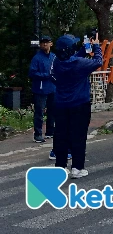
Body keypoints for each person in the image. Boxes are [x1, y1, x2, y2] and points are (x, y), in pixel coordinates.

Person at [51, 34, 103, 178]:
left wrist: (84, 49)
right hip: (79, 105)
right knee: (78, 136)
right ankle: (77, 168)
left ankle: (60, 167)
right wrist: (97, 46)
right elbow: (98, 61)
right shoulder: (80, 64)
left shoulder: (57, 62)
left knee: (61, 136)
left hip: (61, 105)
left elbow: (71, 57)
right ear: (70, 49)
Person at [29, 35, 56, 143]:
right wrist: (46, 75)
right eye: (43, 42)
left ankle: (50, 131)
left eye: (47, 42)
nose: (45, 44)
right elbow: (32, 73)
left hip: (53, 88)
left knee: (52, 111)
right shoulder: (37, 58)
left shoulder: (54, 57)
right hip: (40, 89)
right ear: (40, 45)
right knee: (39, 112)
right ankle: (38, 134)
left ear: (51, 44)